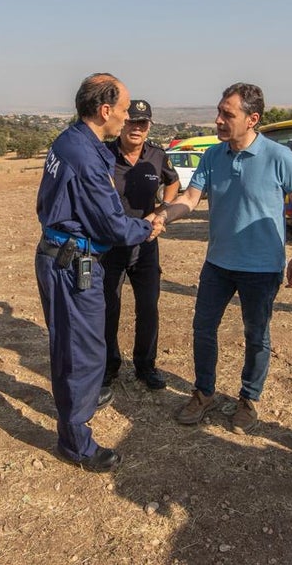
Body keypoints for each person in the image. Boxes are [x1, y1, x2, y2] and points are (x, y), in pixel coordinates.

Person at [156, 83, 292, 434]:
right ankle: (204, 393)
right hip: (218, 264)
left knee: (256, 335)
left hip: (262, 268)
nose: (218, 119)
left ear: (252, 119)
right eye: (219, 111)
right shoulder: (213, 156)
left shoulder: (279, 157)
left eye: (227, 114)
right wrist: (164, 215)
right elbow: (191, 198)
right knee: (203, 328)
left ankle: (248, 399)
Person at [35, 74, 164, 473]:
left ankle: (82, 402)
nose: (127, 118)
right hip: (71, 262)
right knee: (81, 353)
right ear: (105, 110)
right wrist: (148, 226)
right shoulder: (87, 157)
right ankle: (76, 443)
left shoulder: (72, 140)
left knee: (79, 345)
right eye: (124, 110)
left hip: (66, 256)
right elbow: (112, 225)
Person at [101, 99, 181, 398]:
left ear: (149, 127)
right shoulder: (104, 154)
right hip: (110, 246)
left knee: (148, 307)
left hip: (146, 245)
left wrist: (162, 210)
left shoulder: (157, 156)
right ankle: (108, 366)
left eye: (143, 123)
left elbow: (173, 182)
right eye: (132, 121)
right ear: (123, 123)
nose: (137, 128)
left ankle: (145, 365)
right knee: (108, 307)